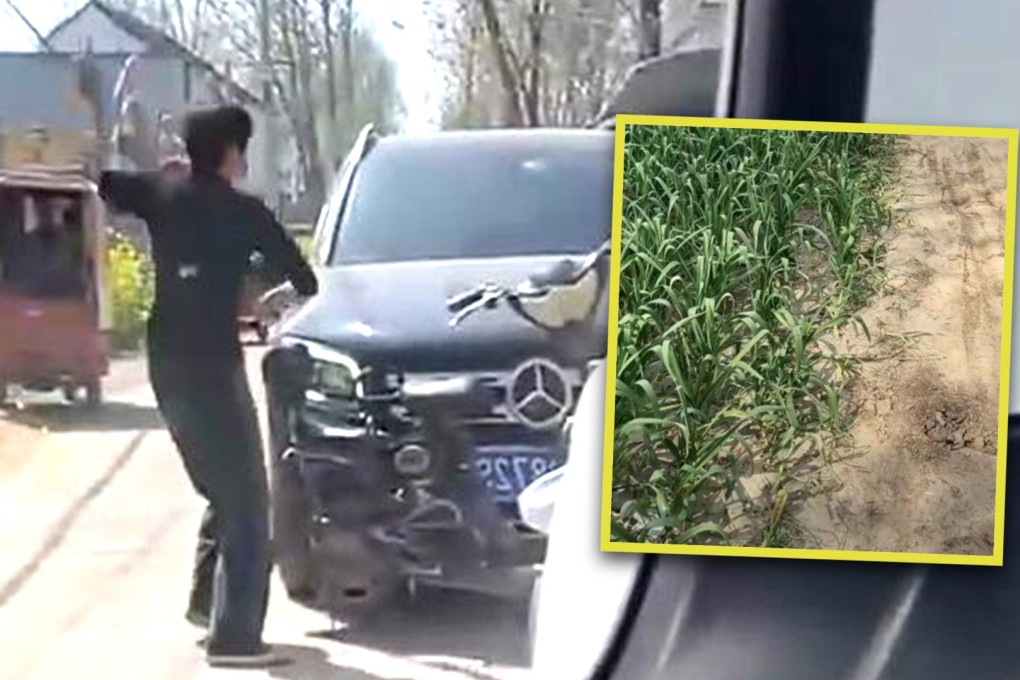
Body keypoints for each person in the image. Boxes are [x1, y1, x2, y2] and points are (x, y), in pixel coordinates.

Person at [98, 105, 318, 668]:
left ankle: (207, 606)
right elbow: (303, 278)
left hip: (166, 364)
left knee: (222, 490)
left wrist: (162, 173)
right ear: (232, 153)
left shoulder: (163, 194)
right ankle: (235, 639)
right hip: (215, 367)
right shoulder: (246, 212)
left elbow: (104, 181)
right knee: (247, 503)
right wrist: (258, 296)